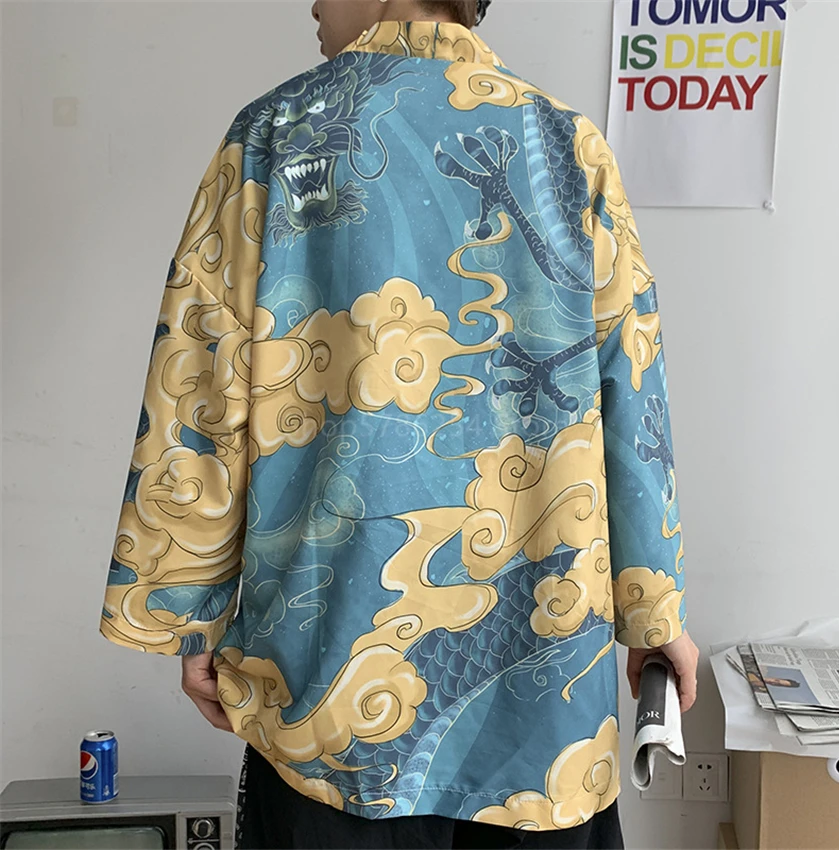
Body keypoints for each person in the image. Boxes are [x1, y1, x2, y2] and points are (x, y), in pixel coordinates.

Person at [99, 0, 699, 847]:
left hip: (330, 704)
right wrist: (653, 614)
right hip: (546, 721)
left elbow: (200, 383)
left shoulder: (274, 137)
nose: (312, 4)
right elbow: (631, 392)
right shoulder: (570, 148)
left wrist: (190, 610)